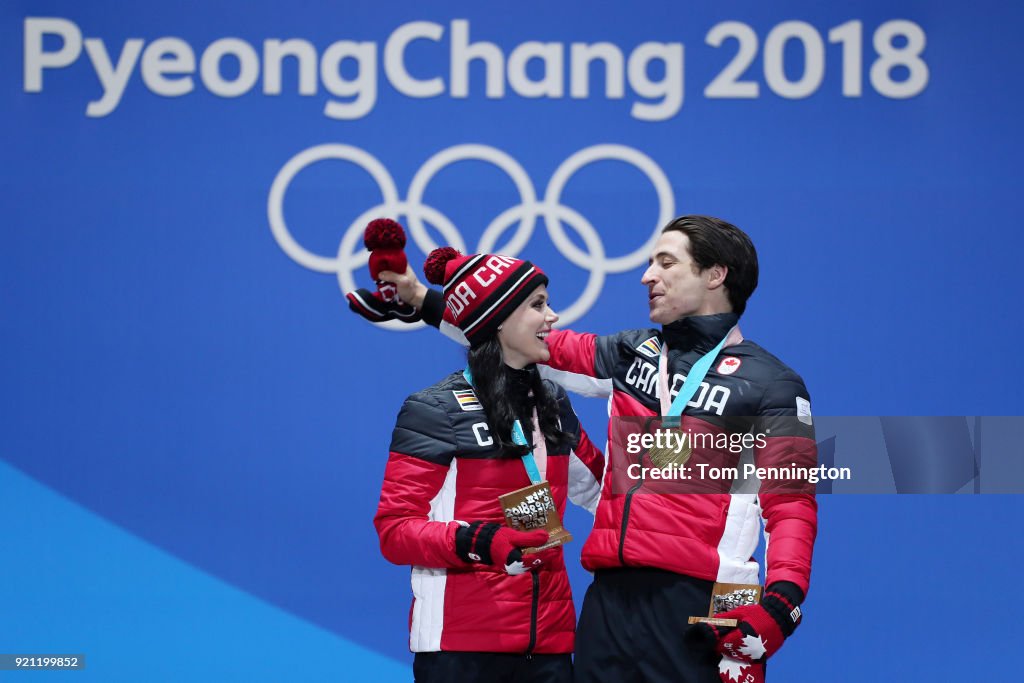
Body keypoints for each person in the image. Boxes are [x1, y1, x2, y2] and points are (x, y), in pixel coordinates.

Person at [358, 215, 817, 683]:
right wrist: (422, 300)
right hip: (610, 605)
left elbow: (791, 503)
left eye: (665, 262)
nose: (647, 276)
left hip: (703, 605)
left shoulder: (771, 383)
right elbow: (515, 337)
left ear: (715, 275)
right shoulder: (629, 355)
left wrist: (782, 603)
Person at [373, 247, 605, 683]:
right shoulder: (434, 409)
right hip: (462, 648)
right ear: (498, 319)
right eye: (538, 305)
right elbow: (395, 530)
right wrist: (480, 540)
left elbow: (603, 491)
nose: (553, 317)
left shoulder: (552, 403)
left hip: (550, 646)